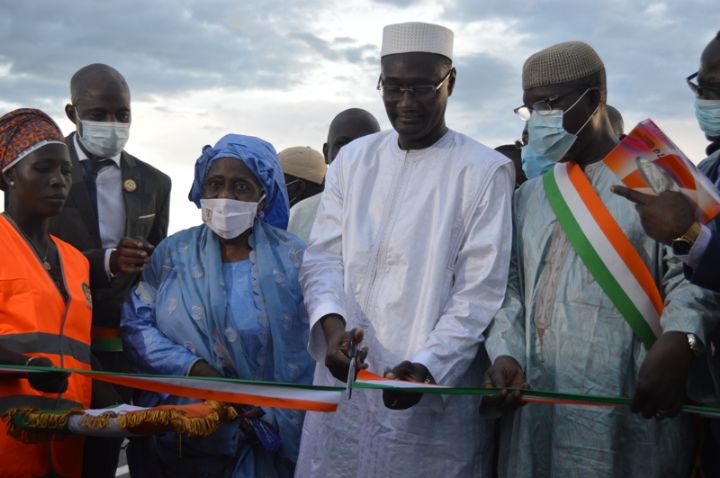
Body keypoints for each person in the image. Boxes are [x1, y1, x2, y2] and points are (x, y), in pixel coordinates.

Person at [484, 41, 717, 478]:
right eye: (530, 107)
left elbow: (699, 275)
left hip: (630, 401)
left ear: (593, 99)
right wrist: (505, 352)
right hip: (538, 402)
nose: (539, 120)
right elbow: (509, 288)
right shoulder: (528, 196)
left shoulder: (664, 174)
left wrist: (683, 339)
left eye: (550, 103)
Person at [296, 22, 514, 477]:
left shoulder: (483, 171)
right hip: (345, 386)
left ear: (450, 81)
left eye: (421, 87)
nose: (406, 102)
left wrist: (429, 366)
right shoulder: (354, 161)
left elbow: (479, 291)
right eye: (393, 88)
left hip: (426, 401)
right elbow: (323, 258)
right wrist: (333, 330)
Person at [121, 134, 314, 477]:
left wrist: (263, 410)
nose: (225, 197)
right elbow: (136, 326)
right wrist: (194, 368)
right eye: (215, 184)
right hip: (181, 439)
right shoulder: (172, 254)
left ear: (263, 194)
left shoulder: (294, 259)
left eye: (240, 186)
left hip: (264, 440)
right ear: (201, 189)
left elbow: (308, 353)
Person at [47, 63, 171, 477]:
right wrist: (106, 261)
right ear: (72, 113)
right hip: (61, 338)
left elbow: (152, 264)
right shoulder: (45, 172)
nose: (112, 124)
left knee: (124, 446)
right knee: (62, 447)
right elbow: (34, 255)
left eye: (122, 114)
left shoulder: (155, 182)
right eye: (99, 115)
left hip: (126, 344)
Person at [0, 108, 92, 478]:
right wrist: (24, 367)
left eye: (66, 172)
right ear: (8, 177)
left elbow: (78, 353)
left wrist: (124, 412)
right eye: (44, 169)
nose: (59, 181)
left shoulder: (75, 262)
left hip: (67, 452)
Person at [612, 31, 720, 292]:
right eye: (698, 87)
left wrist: (689, 235)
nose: (701, 100)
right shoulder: (710, 168)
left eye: (711, 90)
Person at [288, 108, 380, 241]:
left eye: (366, 145)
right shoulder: (299, 215)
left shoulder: (401, 213)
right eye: (343, 144)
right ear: (326, 152)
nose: (353, 153)